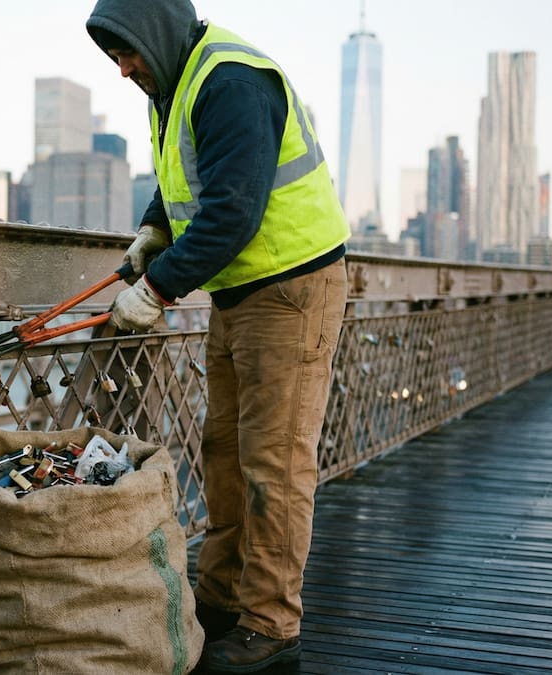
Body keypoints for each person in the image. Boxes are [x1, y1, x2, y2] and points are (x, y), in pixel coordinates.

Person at [86, 1, 351, 671]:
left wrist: (156, 287)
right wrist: (154, 229)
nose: (123, 69)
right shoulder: (176, 84)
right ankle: (222, 596)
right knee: (225, 452)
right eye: (114, 57)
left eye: (127, 52)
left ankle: (271, 621)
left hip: (291, 290)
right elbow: (186, 181)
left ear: (154, 33)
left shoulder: (228, 80)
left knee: (275, 462)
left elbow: (233, 206)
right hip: (241, 290)